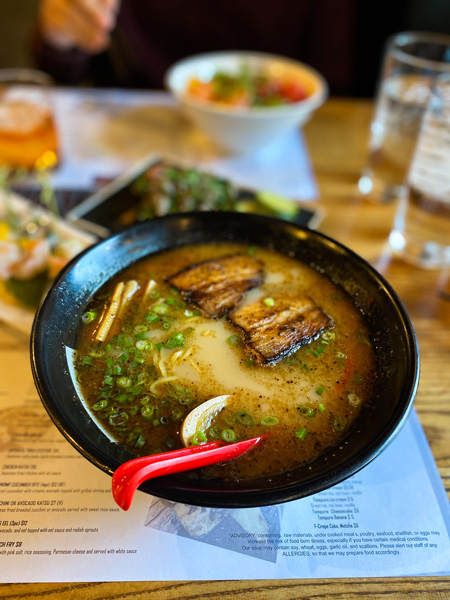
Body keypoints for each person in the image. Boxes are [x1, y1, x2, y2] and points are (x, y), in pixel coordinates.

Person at [33, 0, 357, 95]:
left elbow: (334, 84)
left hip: (285, 146)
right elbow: (61, 71)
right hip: (132, 132)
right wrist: (60, 32)